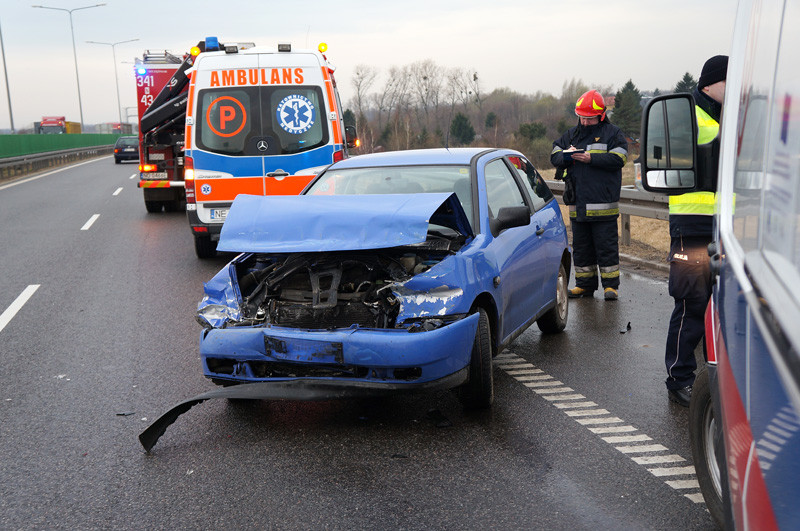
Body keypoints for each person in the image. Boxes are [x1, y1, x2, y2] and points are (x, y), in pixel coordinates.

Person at [664, 55, 727, 407]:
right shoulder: (689, 116)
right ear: (711, 84)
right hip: (693, 226)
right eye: (728, 82)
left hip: (730, 227)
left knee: (727, 305)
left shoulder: (734, 117)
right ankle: (679, 378)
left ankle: (715, 375)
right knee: (692, 302)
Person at [551, 90, 628, 301]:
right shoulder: (572, 135)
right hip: (578, 206)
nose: (585, 122)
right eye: (582, 117)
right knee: (582, 250)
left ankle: (610, 287)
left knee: (606, 248)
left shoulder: (613, 133)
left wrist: (590, 159)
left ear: (601, 115)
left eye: (589, 118)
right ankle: (584, 286)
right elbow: (554, 153)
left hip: (604, 205)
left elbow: (620, 157)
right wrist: (566, 157)